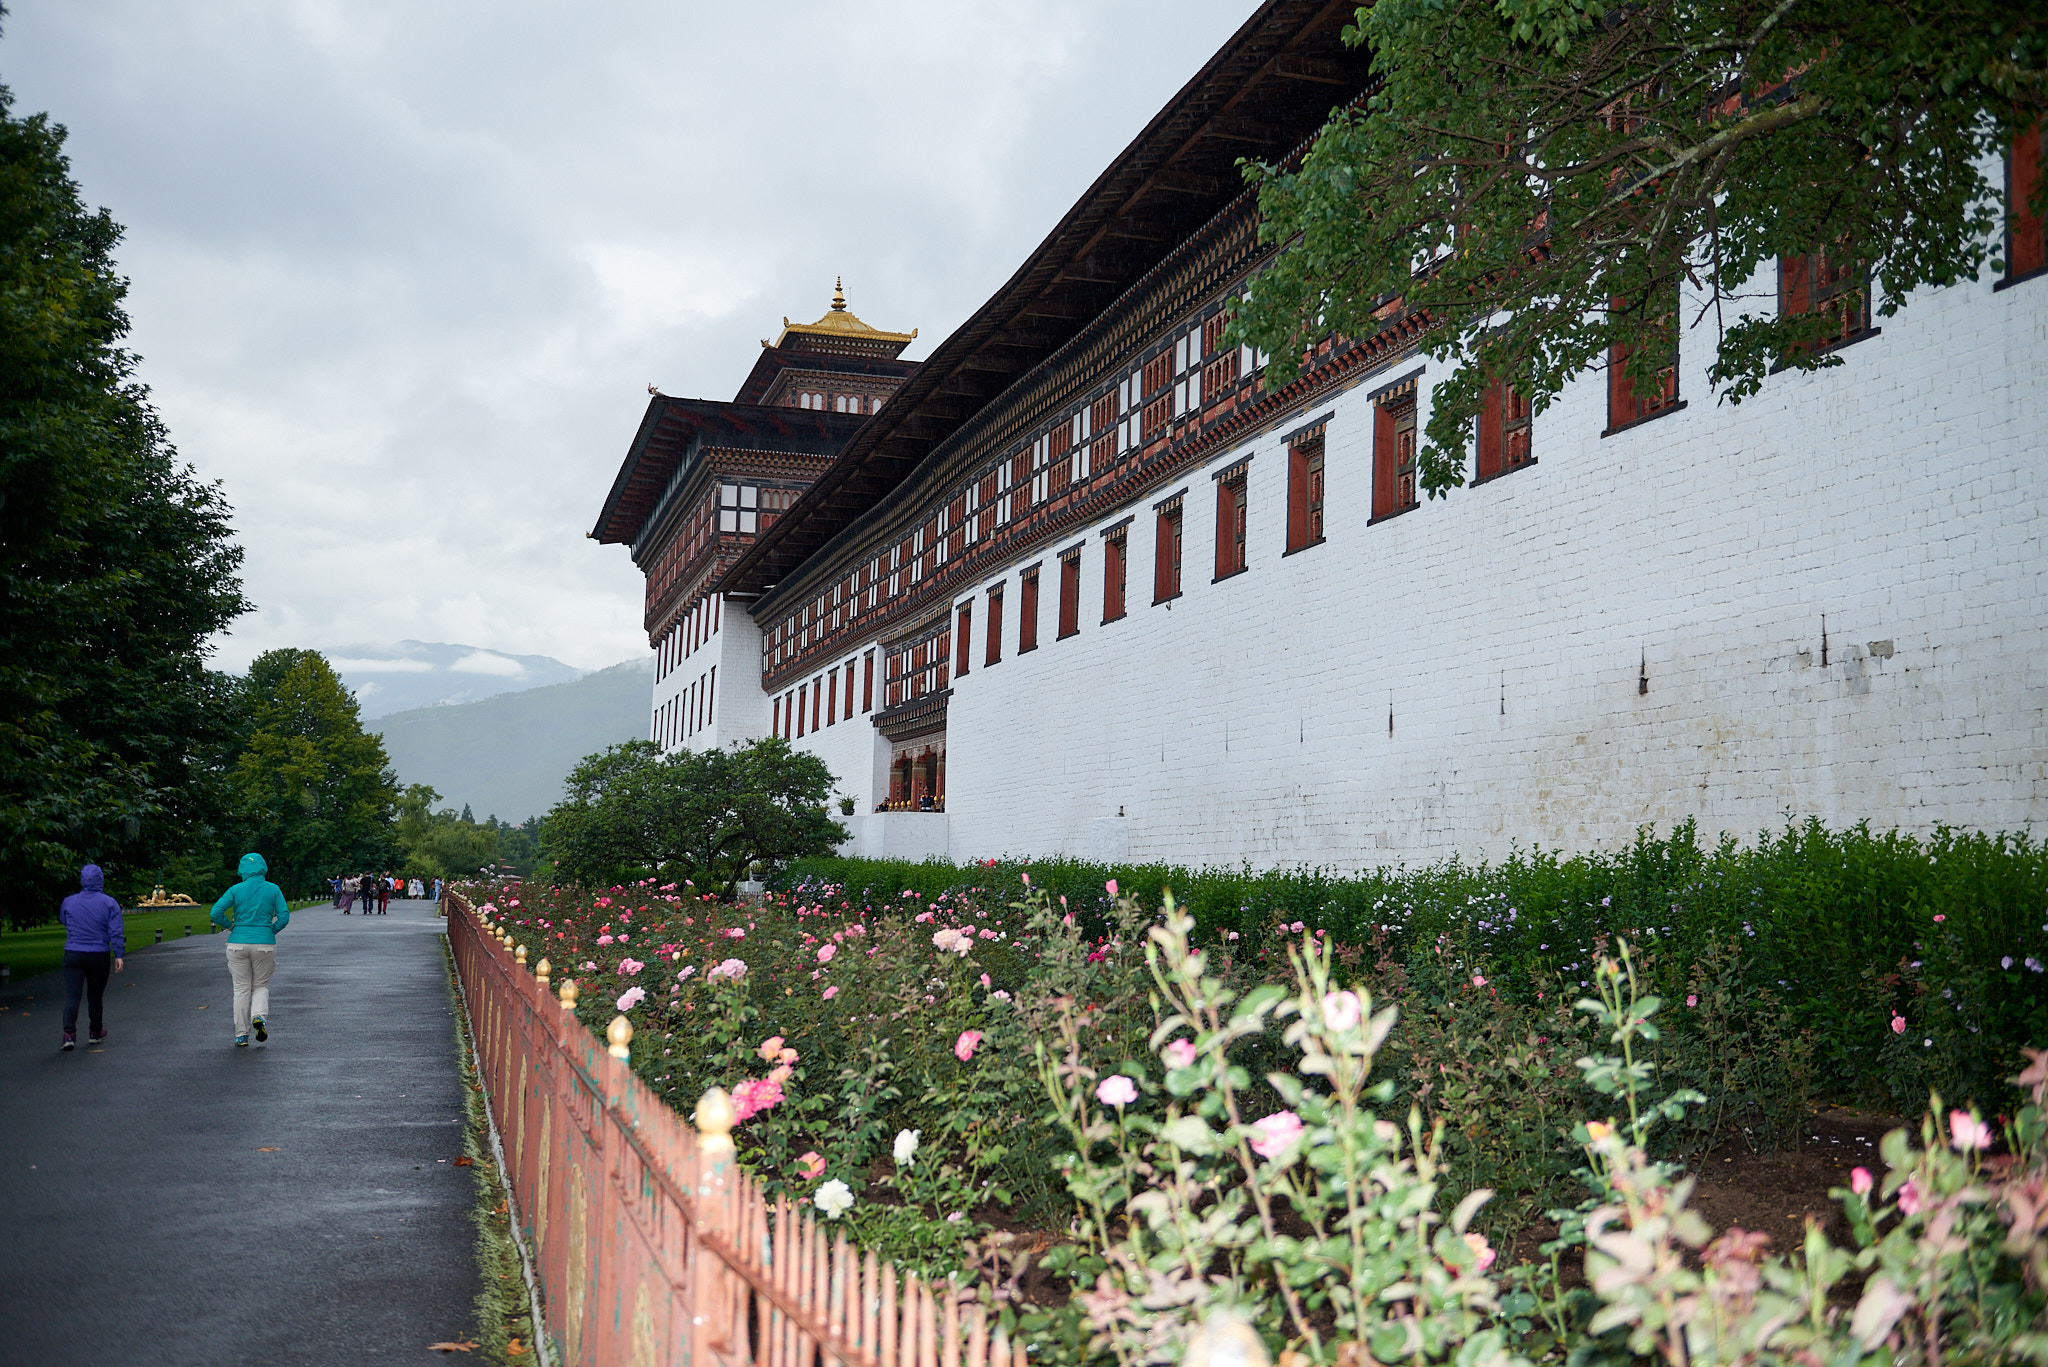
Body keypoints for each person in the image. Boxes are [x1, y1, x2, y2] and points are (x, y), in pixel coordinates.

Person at [209, 852, 291, 1047]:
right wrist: (270, 930)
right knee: (261, 985)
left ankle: (241, 1034)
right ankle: (258, 1016)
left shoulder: (236, 889)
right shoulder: (273, 889)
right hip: (264, 943)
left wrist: (230, 926)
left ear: (242, 870)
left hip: (237, 943)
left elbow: (215, 912)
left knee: (241, 988)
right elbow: (284, 916)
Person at [58, 864, 124, 1050]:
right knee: (95, 995)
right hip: (98, 953)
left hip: (73, 952)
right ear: (100, 880)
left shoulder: (69, 902)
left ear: (82, 880)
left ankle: (69, 1034)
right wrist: (118, 954)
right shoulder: (109, 903)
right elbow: (115, 931)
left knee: (72, 995)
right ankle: (95, 1031)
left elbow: (64, 920)